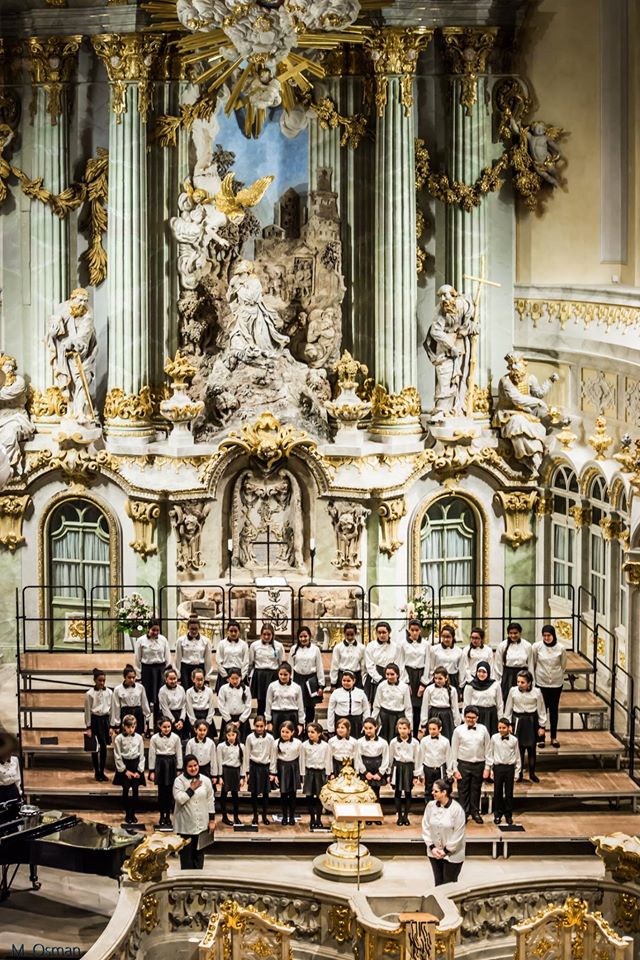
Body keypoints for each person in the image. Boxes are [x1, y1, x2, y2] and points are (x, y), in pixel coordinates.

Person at [173, 755, 216, 869]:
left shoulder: (205, 780)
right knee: (186, 859)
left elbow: (210, 800)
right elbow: (180, 799)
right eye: (190, 766)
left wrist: (212, 820)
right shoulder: (179, 781)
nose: (193, 768)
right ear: (185, 767)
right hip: (186, 826)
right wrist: (191, 789)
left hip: (201, 825)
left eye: (195, 765)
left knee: (199, 858)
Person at [450, 705, 490, 824]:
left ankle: (475, 812)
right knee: (463, 790)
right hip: (463, 764)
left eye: (473, 717)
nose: (470, 720)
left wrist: (487, 767)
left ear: (477, 717)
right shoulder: (458, 730)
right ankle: (464, 813)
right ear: (464, 717)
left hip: (479, 764)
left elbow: (488, 749)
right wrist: (455, 769)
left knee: (476, 789)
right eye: (468, 717)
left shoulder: (483, 729)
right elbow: (454, 750)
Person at [505, 669, 547, 783]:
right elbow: (508, 708)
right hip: (518, 721)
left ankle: (532, 773)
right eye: (518, 681)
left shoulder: (536, 692)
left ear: (529, 683)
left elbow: (541, 710)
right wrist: (509, 724)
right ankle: (519, 773)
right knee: (519, 749)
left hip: (531, 721)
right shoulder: (513, 691)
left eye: (522, 682)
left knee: (531, 748)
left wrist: (542, 726)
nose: (519, 684)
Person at [422, 779, 466, 885]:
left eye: (436, 791)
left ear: (444, 792)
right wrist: (432, 847)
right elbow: (425, 827)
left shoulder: (456, 809)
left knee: (449, 885)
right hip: (434, 852)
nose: (432, 793)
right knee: (438, 884)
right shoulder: (430, 806)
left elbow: (458, 834)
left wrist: (445, 851)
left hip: (453, 854)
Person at [532, 624, 566, 748]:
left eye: (549, 635)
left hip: (556, 683)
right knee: (541, 710)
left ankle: (553, 737)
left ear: (553, 635)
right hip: (541, 682)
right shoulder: (537, 647)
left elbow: (563, 665)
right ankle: (541, 738)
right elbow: (533, 663)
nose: (546, 638)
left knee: (553, 710)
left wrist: (556, 676)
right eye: (544, 635)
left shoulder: (561, 648)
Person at [134, 618, 172, 723]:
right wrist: (138, 676)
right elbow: (137, 659)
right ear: (148, 629)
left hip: (160, 670)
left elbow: (167, 656)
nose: (155, 632)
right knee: (146, 697)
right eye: (153, 630)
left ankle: (158, 724)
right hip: (147, 670)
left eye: (157, 630)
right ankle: (146, 724)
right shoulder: (141, 640)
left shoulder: (163, 640)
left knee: (159, 698)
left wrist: (167, 673)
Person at [149, 716, 183, 829]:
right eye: (164, 727)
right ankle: (161, 816)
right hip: (160, 764)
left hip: (171, 764)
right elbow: (152, 755)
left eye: (169, 726)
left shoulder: (176, 738)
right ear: (160, 727)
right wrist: (152, 770)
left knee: (170, 792)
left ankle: (168, 816)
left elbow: (179, 753)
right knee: (161, 792)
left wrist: (179, 768)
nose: (167, 729)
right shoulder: (154, 738)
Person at [487, 717, 521, 825]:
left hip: (509, 768)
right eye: (499, 728)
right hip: (498, 767)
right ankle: (497, 814)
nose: (501, 730)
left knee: (509, 792)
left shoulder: (514, 740)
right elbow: (490, 753)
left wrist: (517, 772)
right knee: (497, 792)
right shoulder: (494, 738)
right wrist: (491, 769)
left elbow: (517, 756)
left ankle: (508, 814)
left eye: (503, 728)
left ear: (508, 728)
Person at [113, 715, 146, 826]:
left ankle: (133, 813)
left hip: (135, 765)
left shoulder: (139, 738)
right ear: (124, 726)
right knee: (126, 789)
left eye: (133, 727)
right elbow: (117, 755)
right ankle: (127, 813)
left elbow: (142, 755)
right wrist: (124, 770)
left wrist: (139, 771)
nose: (131, 729)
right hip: (125, 765)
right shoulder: (119, 738)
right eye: (128, 727)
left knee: (135, 789)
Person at [388, 717, 420, 826]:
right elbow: (390, 758)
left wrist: (416, 775)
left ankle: (406, 816)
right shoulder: (393, 742)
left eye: (404, 728)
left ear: (409, 730)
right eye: (400, 728)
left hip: (409, 768)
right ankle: (399, 816)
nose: (402, 730)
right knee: (397, 792)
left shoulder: (415, 742)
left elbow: (417, 758)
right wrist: (389, 773)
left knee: (408, 793)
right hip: (398, 767)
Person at [290, 625, 325, 725]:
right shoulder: (293, 649)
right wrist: (290, 682)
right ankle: (299, 726)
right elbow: (290, 666)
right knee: (298, 704)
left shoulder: (315, 649)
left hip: (311, 679)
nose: (303, 639)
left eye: (305, 636)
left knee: (310, 706)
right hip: (298, 679)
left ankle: (310, 726)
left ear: (309, 636)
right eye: (301, 637)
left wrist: (321, 685)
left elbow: (319, 667)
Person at [270, 720, 302, 826]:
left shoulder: (298, 743)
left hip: (293, 768)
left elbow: (301, 759)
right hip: (282, 768)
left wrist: (301, 774)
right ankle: (284, 816)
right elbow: (273, 759)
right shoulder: (275, 743)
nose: (284, 734)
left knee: (293, 795)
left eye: (287, 732)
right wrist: (274, 774)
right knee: (283, 795)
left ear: (292, 732)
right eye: (283, 732)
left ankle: (291, 816)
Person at [249, 623, 285, 717]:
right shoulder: (254, 645)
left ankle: (272, 721)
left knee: (273, 700)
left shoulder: (278, 646)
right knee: (261, 702)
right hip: (260, 675)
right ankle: (260, 721)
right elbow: (251, 661)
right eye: (264, 634)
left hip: (273, 675)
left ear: (273, 634)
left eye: (269, 634)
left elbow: (281, 662)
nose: (266, 637)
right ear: (261, 634)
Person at [364, 621, 405, 703]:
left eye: (384, 632)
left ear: (389, 632)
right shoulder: (371, 646)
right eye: (379, 633)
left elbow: (399, 664)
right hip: (375, 676)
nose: (381, 635)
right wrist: (379, 679)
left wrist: (394, 678)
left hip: (391, 675)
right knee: (375, 702)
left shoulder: (396, 646)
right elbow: (369, 665)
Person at [84, 668, 113, 782]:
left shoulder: (109, 692)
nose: (102, 683)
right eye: (99, 680)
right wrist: (88, 727)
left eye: (103, 680)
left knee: (104, 747)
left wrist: (111, 726)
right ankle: (96, 771)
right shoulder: (89, 694)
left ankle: (102, 771)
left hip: (105, 720)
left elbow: (112, 710)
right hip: (95, 720)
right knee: (95, 748)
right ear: (94, 680)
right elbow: (87, 711)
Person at [372, 663, 413, 744]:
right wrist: (372, 721)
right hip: (384, 717)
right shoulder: (381, 686)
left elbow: (408, 708)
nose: (389, 677)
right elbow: (376, 705)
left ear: (397, 674)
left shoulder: (404, 687)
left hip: (398, 717)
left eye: (392, 674)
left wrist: (410, 725)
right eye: (387, 674)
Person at [245, 715, 274, 825]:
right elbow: (247, 755)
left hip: (265, 767)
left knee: (266, 794)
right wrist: (247, 772)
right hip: (254, 767)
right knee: (254, 793)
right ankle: (255, 815)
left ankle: (264, 815)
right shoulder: (249, 738)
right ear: (254, 725)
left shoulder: (270, 738)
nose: (259, 728)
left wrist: (272, 772)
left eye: (261, 726)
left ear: (265, 725)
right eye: (257, 726)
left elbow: (273, 755)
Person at [302, 721, 332, 828]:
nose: (310, 734)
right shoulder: (304, 745)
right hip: (309, 772)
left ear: (319, 733)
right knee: (309, 796)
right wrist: (302, 774)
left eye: (313, 732)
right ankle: (312, 818)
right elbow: (302, 760)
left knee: (320, 796)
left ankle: (318, 818)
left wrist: (328, 773)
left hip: (320, 773)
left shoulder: (325, 746)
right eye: (308, 732)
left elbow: (328, 760)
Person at [494, 623, 534, 701]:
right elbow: (498, 666)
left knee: (522, 699)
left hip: (523, 675)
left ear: (520, 633)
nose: (513, 635)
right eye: (510, 633)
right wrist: (498, 682)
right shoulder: (502, 646)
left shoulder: (527, 646)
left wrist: (531, 682)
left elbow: (530, 665)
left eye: (515, 633)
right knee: (507, 699)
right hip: (508, 676)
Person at [402, 619, 429, 736]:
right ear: (408, 630)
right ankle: (407, 732)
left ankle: (417, 734)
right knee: (408, 706)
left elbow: (428, 663)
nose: (414, 632)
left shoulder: (426, 644)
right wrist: (406, 682)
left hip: (420, 675)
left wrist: (424, 683)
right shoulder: (403, 644)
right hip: (408, 674)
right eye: (412, 630)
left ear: (420, 630)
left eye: (416, 630)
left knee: (418, 707)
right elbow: (401, 663)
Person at [419, 667, 460, 742]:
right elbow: (425, 707)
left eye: (440, 678)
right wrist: (423, 723)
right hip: (433, 714)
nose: (437, 681)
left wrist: (456, 723)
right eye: (435, 678)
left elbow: (455, 708)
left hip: (447, 716)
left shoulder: (452, 690)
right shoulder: (429, 689)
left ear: (446, 678)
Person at [463, 662, 503, 736]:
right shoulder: (470, 686)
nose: (481, 674)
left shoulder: (495, 685)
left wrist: (501, 720)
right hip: (476, 716)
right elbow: (466, 705)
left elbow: (500, 704)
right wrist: (465, 721)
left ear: (488, 673)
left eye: (484, 672)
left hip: (491, 715)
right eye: (479, 671)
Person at [265, 662, 305, 738]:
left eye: (285, 674)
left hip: (292, 716)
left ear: (290, 674)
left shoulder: (297, 687)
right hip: (277, 715)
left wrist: (301, 723)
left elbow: (300, 705)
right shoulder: (272, 686)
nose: (283, 677)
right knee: (276, 738)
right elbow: (268, 703)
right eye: (281, 674)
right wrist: (268, 721)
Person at [216, 722, 244, 825]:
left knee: (235, 795)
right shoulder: (221, 746)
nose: (231, 737)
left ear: (237, 734)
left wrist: (242, 777)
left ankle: (236, 816)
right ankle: (224, 816)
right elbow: (219, 761)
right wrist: (220, 776)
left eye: (233, 735)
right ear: (225, 735)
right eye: (229, 735)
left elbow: (243, 763)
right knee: (224, 794)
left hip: (236, 771)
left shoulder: (241, 746)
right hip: (225, 771)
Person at [326, 670, 370, 738]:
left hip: (356, 723)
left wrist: (366, 725)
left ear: (354, 681)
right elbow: (330, 711)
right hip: (340, 721)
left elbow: (366, 710)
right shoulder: (336, 693)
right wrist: (331, 728)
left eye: (348, 681)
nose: (346, 683)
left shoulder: (361, 693)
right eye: (344, 680)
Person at [110, 665, 151, 736]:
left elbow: (144, 703)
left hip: (138, 714)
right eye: (129, 677)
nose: (132, 680)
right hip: (125, 713)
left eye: (133, 677)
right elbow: (116, 707)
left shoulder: (140, 687)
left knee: (137, 736)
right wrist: (117, 723)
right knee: (125, 736)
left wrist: (147, 718)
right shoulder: (118, 689)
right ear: (124, 677)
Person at [354, 717, 389, 799]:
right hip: (365, 768)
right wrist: (365, 772)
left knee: (375, 794)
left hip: (377, 768)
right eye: (366, 728)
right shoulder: (359, 742)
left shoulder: (383, 742)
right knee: (364, 794)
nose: (368, 730)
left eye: (370, 728)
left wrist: (380, 773)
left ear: (375, 727)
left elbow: (386, 759)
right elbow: (358, 758)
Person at [420, 626, 461, 693]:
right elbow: (430, 667)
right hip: (438, 680)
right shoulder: (434, 649)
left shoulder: (459, 651)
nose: (445, 639)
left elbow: (461, 670)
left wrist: (460, 687)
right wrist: (427, 682)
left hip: (452, 680)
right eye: (443, 636)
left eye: (448, 637)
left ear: (453, 637)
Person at [176, 617, 212, 690]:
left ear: (199, 628)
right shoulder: (180, 640)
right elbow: (178, 659)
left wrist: (207, 677)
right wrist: (178, 675)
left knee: (199, 691)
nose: (194, 631)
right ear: (188, 628)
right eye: (192, 629)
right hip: (185, 670)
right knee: (186, 690)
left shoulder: (206, 641)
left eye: (196, 629)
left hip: (200, 668)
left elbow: (208, 660)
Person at [419, 717, 452, 798]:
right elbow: (421, 757)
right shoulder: (424, 741)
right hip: (428, 768)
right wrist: (421, 773)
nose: (432, 731)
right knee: (428, 790)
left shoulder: (445, 741)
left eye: (434, 729)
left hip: (440, 768)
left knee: (441, 790)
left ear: (440, 729)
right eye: (430, 729)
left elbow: (448, 757)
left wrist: (449, 773)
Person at [214, 619, 249, 691]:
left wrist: (241, 677)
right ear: (227, 631)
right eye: (231, 631)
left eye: (235, 631)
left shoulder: (244, 644)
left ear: (239, 631)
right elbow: (218, 661)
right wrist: (225, 676)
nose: (233, 633)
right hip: (225, 674)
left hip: (239, 674)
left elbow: (246, 662)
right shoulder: (221, 644)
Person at [217, 668, 252, 742]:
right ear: (228, 679)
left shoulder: (246, 689)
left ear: (240, 677)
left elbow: (248, 706)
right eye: (232, 678)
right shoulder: (223, 689)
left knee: (243, 741)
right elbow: (221, 705)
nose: (235, 681)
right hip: (228, 719)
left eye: (237, 678)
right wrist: (229, 720)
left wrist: (240, 721)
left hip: (242, 720)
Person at [329, 622, 365, 688]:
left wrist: (363, 682)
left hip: (357, 678)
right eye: (347, 634)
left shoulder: (362, 648)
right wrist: (333, 683)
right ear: (344, 633)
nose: (350, 637)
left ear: (355, 633)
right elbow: (334, 665)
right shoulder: (338, 647)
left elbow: (363, 666)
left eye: (352, 634)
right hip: (342, 677)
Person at [185, 668, 216, 739]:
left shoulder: (209, 691)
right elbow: (189, 708)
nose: (200, 682)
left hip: (206, 716)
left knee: (209, 740)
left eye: (201, 679)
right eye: (197, 680)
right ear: (193, 679)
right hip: (195, 716)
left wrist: (208, 722)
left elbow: (211, 707)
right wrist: (194, 723)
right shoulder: (189, 692)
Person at [158, 667, 187, 739]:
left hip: (180, 715)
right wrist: (173, 722)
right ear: (166, 679)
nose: (173, 681)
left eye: (174, 678)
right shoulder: (162, 691)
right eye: (170, 679)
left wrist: (181, 720)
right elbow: (165, 708)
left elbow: (184, 705)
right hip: (167, 716)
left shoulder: (181, 689)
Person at [0, 734, 21, 803]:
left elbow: (17, 778)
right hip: (1, 792)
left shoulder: (15, 759)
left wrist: (19, 792)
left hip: (13, 790)